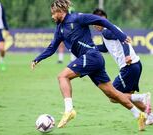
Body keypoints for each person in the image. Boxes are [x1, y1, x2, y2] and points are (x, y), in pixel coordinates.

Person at [31, 0, 146, 131]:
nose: (52, 16)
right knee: (113, 94)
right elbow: (52, 47)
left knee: (62, 77)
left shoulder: (77, 18)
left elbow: (102, 21)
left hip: (91, 56)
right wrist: (37, 59)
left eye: (53, 13)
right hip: (92, 60)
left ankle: (69, 110)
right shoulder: (59, 29)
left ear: (60, 11)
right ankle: (139, 115)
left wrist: (121, 36)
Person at [93, 8, 153, 125]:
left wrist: (127, 55)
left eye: (96, 22)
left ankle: (143, 97)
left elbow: (124, 40)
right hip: (136, 65)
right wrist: (90, 47)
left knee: (113, 96)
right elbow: (104, 48)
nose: (95, 25)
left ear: (103, 20)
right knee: (127, 96)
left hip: (128, 66)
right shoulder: (109, 30)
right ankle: (152, 117)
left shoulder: (107, 31)